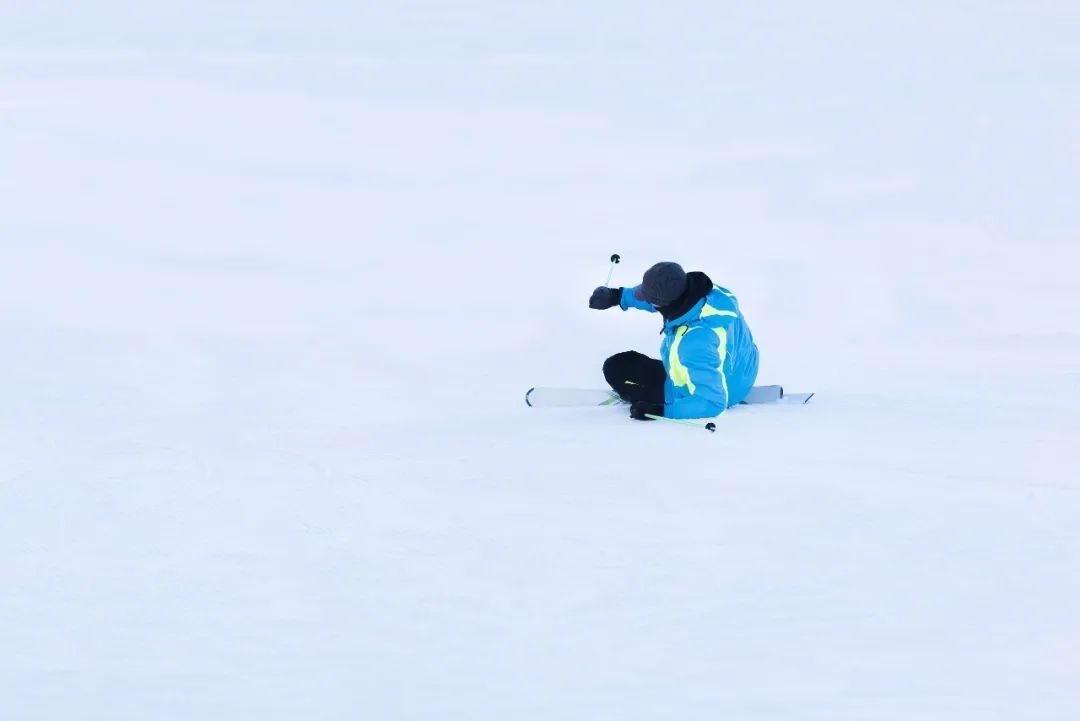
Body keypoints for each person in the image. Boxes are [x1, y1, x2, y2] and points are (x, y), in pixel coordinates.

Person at [589, 261, 759, 421]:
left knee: (616, 368)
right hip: (742, 369)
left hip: (717, 390)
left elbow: (713, 402)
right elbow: (657, 298)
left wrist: (662, 411)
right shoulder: (709, 295)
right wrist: (617, 296)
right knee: (630, 361)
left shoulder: (695, 342)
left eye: (649, 299)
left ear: (663, 304)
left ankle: (656, 397)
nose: (644, 299)